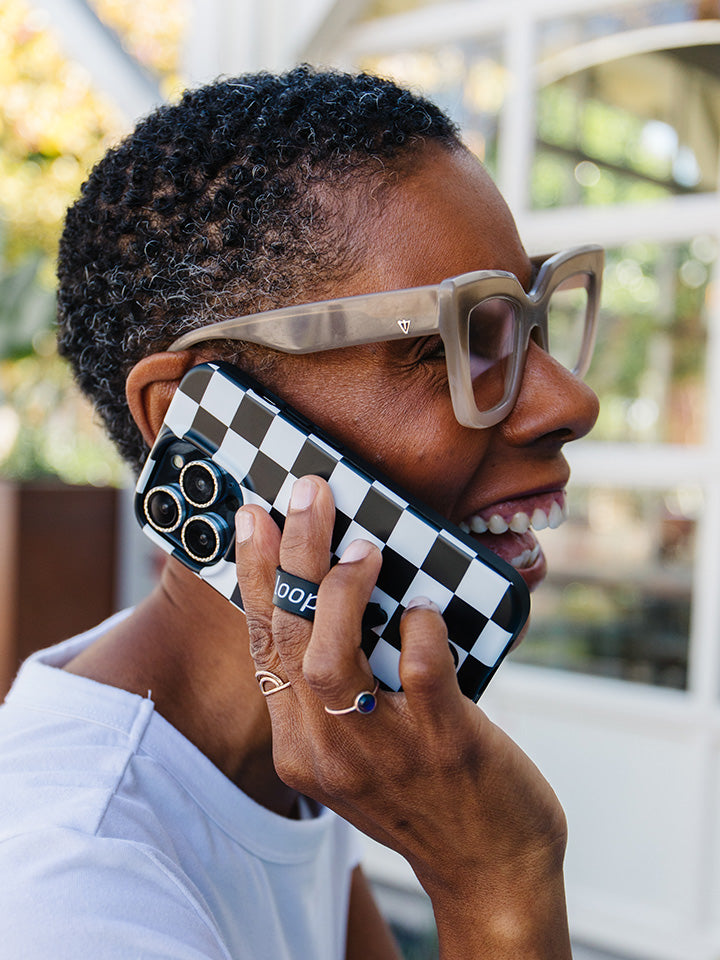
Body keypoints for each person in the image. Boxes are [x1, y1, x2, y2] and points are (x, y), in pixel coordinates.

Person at [0, 66, 600, 958]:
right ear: (193, 420)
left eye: (531, 322)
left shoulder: (311, 745)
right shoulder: (74, 890)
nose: (567, 402)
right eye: (463, 339)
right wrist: (497, 881)